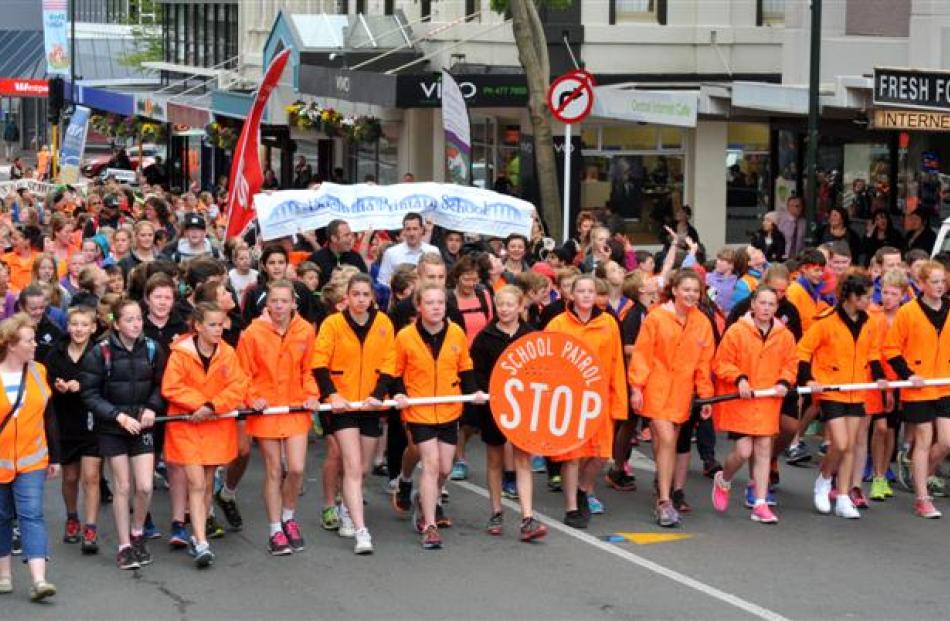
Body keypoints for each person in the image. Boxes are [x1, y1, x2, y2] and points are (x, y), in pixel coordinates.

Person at [392, 283, 487, 549]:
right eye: (430, 303)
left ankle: (425, 498)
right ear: (419, 306)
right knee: (431, 465)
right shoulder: (405, 336)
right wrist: (400, 394)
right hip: (419, 409)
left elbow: (465, 367)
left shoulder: (456, 332)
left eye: (440, 303)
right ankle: (429, 524)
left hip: (448, 408)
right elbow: (395, 371)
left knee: (445, 468)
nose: (435, 307)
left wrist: (475, 392)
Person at [312, 274, 396, 555]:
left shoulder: (383, 323)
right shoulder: (332, 323)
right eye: (355, 294)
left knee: (364, 468)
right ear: (346, 297)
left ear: (372, 297)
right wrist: (332, 394)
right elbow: (319, 362)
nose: (360, 299)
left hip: (369, 405)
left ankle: (346, 503)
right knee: (351, 464)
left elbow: (389, 362)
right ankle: (360, 528)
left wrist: (378, 394)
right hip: (343, 405)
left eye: (365, 295)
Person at [236, 280, 321, 555]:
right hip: (267, 410)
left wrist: (311, 395)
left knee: (296, 468)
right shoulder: (252, 333)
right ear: (267, 304)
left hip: (295, 407)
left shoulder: (305, 330)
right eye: (275, 301)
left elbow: (309, 370)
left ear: (294, 303)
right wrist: (252, 398)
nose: (280, 306)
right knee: (274, 469)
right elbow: (243, 373)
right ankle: (275, 530)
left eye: (285, 301)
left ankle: (288, 517)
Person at [80, 298, 167, 569]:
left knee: (143, 486)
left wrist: (152, 407)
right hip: (112, 428)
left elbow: (161, 385)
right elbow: (89, 394)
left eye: (139, 318)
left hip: (141, 425)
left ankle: (137, 532)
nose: (136, 323)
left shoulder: (152, 348)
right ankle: (124, 545)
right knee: (123, 486)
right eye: (129, 319)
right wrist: (117, 415)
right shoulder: (100, 352)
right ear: (116, 324)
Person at [161, 303, 247, 568]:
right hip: (187, 426)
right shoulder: (180, 354)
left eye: (221, 324)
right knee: (197, 483)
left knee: (207, 483)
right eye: (212, 324)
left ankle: (199, 534)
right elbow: (171, 387)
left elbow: (238, 385)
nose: (218, 329)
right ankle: (201, 542)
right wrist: (199, 405)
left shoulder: (228, 353)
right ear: (197, 326)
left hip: (214, 426)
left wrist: (211, 407)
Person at [630, 269, 715, 527]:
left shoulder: (702, 322)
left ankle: (662, 482)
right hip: (656, 388)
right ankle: (664, 501)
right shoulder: (656, 318)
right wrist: (636, 387)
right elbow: (642, 355)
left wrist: (706, 396)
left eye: (695, 290)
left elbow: (704, 362)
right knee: (666, 439)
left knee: (664, 443)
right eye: (686, 289)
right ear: (675, 290)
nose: (691, 295)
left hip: (682, 392)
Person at [798, 272, 884, 520]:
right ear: (852, 297)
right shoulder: (826, 321)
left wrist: (878, 377)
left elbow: (873, 353)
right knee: (842, 443)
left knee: (850, 448)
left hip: (858, 390)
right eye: (866, 297)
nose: (870, 301)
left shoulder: (869, 322)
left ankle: (844, 496)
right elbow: (803, 350)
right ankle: (824, 479)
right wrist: (809, 380)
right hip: (831, 389)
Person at [546, 275, 627, 528]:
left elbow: (616, 365)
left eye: (590, 291)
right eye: (580, 290)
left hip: (598, 398)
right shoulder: (557, 324)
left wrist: (618, 401)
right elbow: (546, 363)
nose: (585, 295)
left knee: (601, 455)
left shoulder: (609, 324)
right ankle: (571, 506)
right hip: (569, 399)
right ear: (571, 295)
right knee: (572, 456)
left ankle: (583, 488)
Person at [711, 287, 797, 523]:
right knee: (743, 451)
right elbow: (721, 363)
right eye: (762, 303)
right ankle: (724, 478)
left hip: (768, 400)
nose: (766, 308)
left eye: (771, 304)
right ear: (753, 305)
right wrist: (739, 377)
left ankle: (760, 503)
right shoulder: (737, 331)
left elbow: (791, 364)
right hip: (742, 401)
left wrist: (784, 381)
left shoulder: (785, 335)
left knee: (763, 450)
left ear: (776, 308)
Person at [470, 285, 547, 541]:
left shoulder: (531, 335)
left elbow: (542, 371)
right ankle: (496, 511)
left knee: (522, 458)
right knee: (495, 460)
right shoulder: (485, 337)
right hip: (494, 406)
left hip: (523, 407)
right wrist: (484, 393)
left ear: (520, 307)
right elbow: (477, 372)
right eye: (500, 305)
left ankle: (527, 516)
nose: (504, 309)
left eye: (509, 305)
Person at [883, 260, 950, 518]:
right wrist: (909, 374)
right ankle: (923, 497)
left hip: (944, 383)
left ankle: (920, 472)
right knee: (923, 438)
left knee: (945, 441)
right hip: (919, 386)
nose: (940, 286)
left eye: (942, 281)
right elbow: (891, 349)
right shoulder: (908, 312)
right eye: (934, 281)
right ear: (921, 284)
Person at [0, 313, 59, 601]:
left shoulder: (39, 371)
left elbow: (49, 416)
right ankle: (4, 575)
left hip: (32, 459)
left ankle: (39, 580)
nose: (35, 344)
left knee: (32, 515)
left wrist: (55, 457)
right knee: (1, 517)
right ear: (11, 344)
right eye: (28, 340)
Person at [45, 306, 101, 554]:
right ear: (68, 326)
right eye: (74, 324)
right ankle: (72, 517)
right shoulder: (55, 353)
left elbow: (106, 383)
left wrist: (84, 386)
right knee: (70, 477)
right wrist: (58, 386)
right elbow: (46, 383)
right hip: (65, 421)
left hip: (92, 423)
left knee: (91, 477)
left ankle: (90, 526)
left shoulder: (99, 352)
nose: (79, 329)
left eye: (84, 324)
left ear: (93, 327)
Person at [375, 213, 439, 288]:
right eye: (408, 229)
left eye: (415, 229)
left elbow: (438, 278)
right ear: (404, 231)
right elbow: (383, 283)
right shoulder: (391, 253)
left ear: (422, 230)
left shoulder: (433, 251)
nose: (411, 233)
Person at [308, 220, 368, 289]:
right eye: (346, 235)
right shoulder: (316, 259)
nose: (350, 238)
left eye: (351, 234)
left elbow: (366, 282)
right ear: (334, 238)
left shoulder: (355, 258)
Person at [777, 195, 806, 260]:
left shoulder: (804, 223)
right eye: (795, 206)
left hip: (799, 258)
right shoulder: (782, 221)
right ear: (788, 207)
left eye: (799, 206)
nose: (798, 208)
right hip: (783, 257)